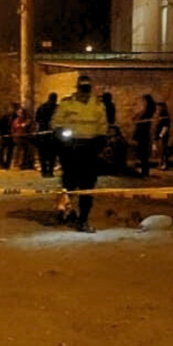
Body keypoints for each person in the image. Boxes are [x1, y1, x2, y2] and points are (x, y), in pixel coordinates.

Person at [51, 75, 108, 233]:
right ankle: (63, 211)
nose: (84, 92)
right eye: (82, 88)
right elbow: (56, 123)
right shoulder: (67, 103)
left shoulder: (98, 105)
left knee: (87, 186)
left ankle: (83, 219)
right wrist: (62, 140)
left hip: (89, 149)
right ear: (77, 88)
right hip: (70, 148)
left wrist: (100, 142)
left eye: (86, 89)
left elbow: (102, 126)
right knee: (68, 183)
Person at [132, 94, 156, 177]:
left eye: (144, 101)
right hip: (142, 135)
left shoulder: (148, 113)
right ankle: (144, 170)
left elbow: (144, 124)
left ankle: (145, 170)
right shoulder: (145, 112)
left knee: (143, 153)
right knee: (142, 153)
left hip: (143, 135)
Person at [35, 93, 58, 177]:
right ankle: (50, 171)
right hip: (53, 134)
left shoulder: (42, 107)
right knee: (52, 154)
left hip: (42, 132)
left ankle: (44, 170)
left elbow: (37, 119)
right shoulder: (57, 108)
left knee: (42, 154)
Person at [0, 103, 17, 170]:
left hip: (11, 136)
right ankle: (2, 164)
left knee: (10, 150)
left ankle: (7, 164)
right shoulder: (3, 117)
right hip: (4, 135)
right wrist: (0, 134)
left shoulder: (15, 117)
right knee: (0, 150)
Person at [155, 102, 171, 170]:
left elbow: (165, 126)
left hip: (163, 136)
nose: (158, 109)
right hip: (160, 135)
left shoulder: (165, 116)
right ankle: (161, 163)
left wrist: (161, 135)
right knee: (160, 151)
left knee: (163, 150)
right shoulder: (160, 115)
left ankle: (164, 164)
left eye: (159, 107)